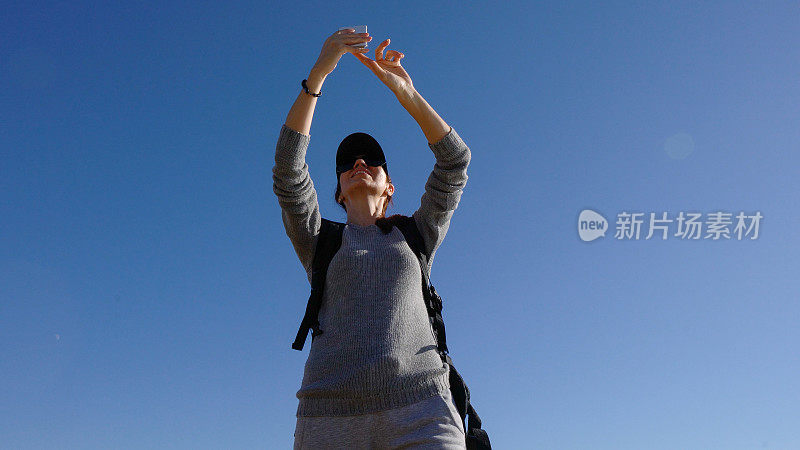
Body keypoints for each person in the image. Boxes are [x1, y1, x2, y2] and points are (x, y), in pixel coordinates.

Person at [273, 28, 472, 449]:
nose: (358, 162)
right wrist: (319, 75)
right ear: (339, 192)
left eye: (373, 161)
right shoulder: (319, 240)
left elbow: (454, 162)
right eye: (347, 163)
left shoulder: (416, 234)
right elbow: (289, 174)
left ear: (389, 187)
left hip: (423, 411)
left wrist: (407, 95)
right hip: (329, 417)